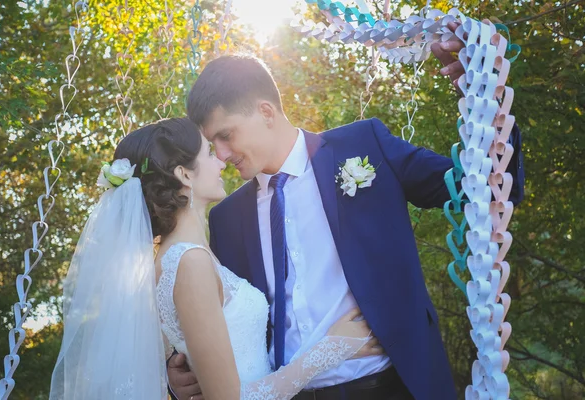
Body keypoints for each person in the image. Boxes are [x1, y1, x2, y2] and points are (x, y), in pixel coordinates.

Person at [167, 29, 524, 400]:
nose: (221, 155)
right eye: (213, 144)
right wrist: (179, 370)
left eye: (226, 135)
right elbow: (223, 311)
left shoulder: (364, 146)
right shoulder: (225, 219)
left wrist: (482, 94)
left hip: (392, 387)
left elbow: (490, 190)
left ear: (266, 112)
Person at [49, 118, 383, 400]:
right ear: (184, 174)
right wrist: (329, 349)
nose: (221, 160)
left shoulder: (180, 259)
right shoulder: (188, 262)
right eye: (208, 153)